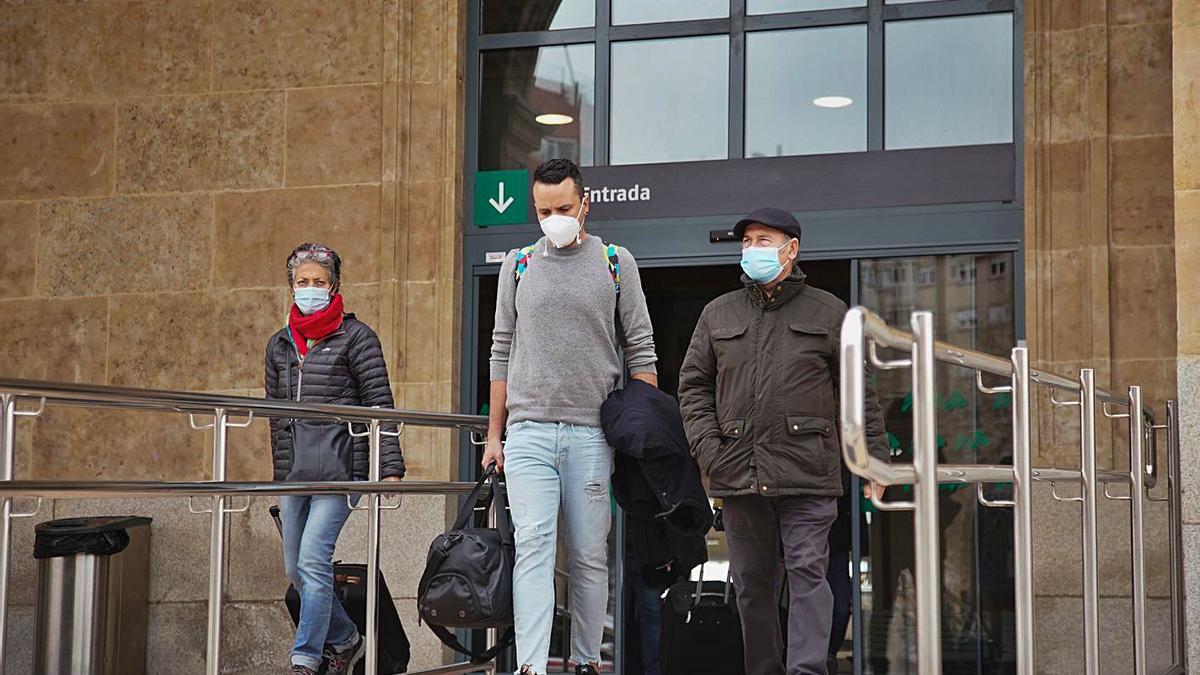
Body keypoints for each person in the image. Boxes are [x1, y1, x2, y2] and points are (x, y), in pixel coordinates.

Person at [678, 208, 887, 675]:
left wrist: (874, 461)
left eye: (763, 239)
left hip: (808, 472)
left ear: (791, 248)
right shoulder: (718, 313)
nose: (752, 248)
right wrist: (710, 452)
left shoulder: (830, 312)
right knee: (752, 584)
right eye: (747, 240)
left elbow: (858, 391)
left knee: (809, 575)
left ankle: (808, 671)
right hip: (739, 472)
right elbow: (692, 386)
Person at [484, 158, 659, 675]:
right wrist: (495, 435)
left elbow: (641, 349)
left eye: (563, 207)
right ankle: (532, 667)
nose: (554, 217)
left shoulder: (614, 260)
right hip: (528, 433)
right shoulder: (517, 264)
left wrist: (644, 431)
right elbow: (500, 351)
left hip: (591, 434)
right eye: (543, 210)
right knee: (534, 547)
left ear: (585, 203)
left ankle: (585, 662)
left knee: (587, 555)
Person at [264, 242, 405, 675]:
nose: (310, 289)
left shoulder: (356, 337)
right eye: (302, 282)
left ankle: (305, 658)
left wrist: (391, 467)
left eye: (318, 282)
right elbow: (276, 418)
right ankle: (345, 638)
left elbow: (380, 403)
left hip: (343, 469)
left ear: (334, 285)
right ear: (291, 287)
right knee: (296, 569)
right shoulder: (279, 346)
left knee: (312, 560)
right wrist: (280, 474)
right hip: (295, 474)